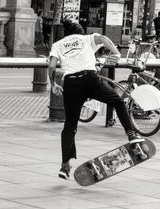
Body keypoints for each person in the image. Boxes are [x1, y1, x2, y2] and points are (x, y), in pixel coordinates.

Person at [48, 19, 144, 180]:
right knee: (118, 102)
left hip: (71, 83)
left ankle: (65, 166)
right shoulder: (86, 38)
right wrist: (116, 53)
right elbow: (104, 39)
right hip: (90, 79)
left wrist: (53, 84)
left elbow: (51, 66)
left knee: (69, 125)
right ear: (79, 32)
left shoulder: (57, 44)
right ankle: (132, 134)